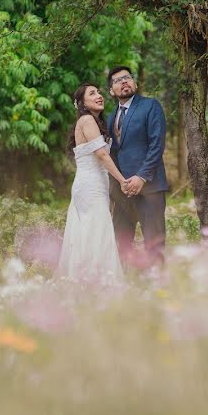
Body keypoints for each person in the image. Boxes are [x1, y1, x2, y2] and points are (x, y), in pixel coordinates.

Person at [55, 83, 126, 284]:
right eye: (92, 93)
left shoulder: (93, 122)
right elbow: (102, 154)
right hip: (90, 185)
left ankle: (88, 279)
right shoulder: (87, 120)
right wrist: (122, 180)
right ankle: (97, 282)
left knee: (92, 230)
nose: (99, 95)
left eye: (99, 92)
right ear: (82, 103)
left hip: (95, 183)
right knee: (96, 230)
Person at [106, 66, 169, 267]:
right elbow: (112, 153)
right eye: (118, 80)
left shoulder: (150, 106)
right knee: (121, 240)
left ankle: (157, 282)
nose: (124, 81)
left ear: (135, 83)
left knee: (154, 240)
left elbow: (156, 145)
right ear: (111, 91)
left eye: (127, 78)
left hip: (149, 187)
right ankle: (129, 282)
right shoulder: (110, 117)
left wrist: (141, 177)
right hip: (122, 190)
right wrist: (119, 184)